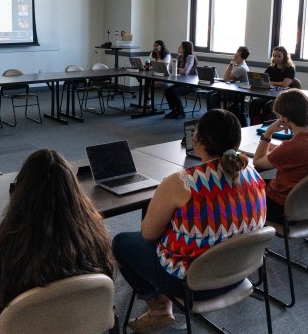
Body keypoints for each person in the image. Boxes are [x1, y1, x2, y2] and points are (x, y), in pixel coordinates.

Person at [113, 109, 266, 333]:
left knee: (121, 242)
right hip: (238, 272)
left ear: (198, 140)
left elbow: (148, 234)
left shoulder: (182, 182)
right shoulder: (253, 174)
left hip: (191, 283)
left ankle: (159, 305)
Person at [0, 149, 115, 329]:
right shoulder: (95, 233)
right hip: (81, 325)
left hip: (22, 327)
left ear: (20, 193)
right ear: (74, 192)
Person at [253, 89, 308, 223]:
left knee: (245, 188)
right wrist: (278, 148)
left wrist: (268, 133)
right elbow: (299, 152)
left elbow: (257, 161)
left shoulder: (292, 147)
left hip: (285, 207)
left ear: (284, 118)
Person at [249, 46, 296, 124]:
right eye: (274, 56)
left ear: (284, 57)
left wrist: (271, 83)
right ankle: (254, 124)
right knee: (255, 103)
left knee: (269, 105)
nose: (276, 58)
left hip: (282, 97)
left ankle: (266, 125)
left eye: (279, 56)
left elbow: (285, 84)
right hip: (269, 95)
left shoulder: (290, 69)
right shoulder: (271, 68)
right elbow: (263, 79)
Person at [163, 41, 198, 119]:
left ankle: (181, 113)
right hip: (182, 82)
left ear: (185, 48)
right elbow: (172, 70)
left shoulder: (190, 57)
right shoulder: (179, 57)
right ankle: (174, 110)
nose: (179, 47)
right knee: (167, 90)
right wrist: (175, 68)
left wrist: (177, 69)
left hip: (190, 84)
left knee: (175, 92)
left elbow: (185, 71)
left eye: (181, 46)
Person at [220, 46, 251, 125]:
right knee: (212, 94)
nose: (235, 53)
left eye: (236, 51)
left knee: (213, 96)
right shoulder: (240, 64)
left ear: (239, 53)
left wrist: (230, 65)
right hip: (235, 90)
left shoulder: (241, 68)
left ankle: (218, 118)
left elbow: (226, 78)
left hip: (237, 94)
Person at [144, 40, 172, 108]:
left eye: (157, 45)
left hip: (164, 76)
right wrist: (147, 65)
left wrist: (155, 63)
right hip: (154, 74)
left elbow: (164, 66)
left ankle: (149, 100)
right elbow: (149, 63)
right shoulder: (152, 54)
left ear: (161, 47)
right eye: (154, 45)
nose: (155, 47)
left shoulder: (167, 55)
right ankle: (148, 100)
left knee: (151, 83)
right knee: (147, 81)